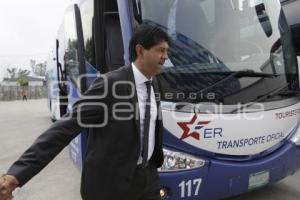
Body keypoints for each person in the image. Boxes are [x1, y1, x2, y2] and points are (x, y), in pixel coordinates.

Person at [0, 25, 169, 200]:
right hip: (112, 185)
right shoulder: (109, 84)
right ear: (140, 50)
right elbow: (63, 129)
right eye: (161, 50)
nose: (166, 56)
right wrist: (17, 174)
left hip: (148, 179)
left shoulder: (153, 83)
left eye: (166, 51)